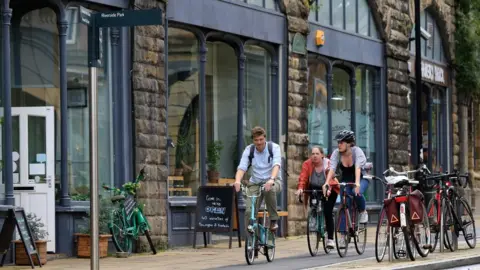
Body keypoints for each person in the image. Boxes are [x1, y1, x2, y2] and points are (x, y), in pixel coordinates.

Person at [234, 126, 282, 231]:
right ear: (253, 140)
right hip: (255, 182)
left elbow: (276, 165)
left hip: (273, 180)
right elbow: (242, 168)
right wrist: (237, 181)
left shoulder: (274, 148)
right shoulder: (249, 150)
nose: (259, 142)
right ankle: (251, 239)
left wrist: (272, 179)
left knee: (268, 189)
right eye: (256, 140)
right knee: (248, 211)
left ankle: (273, 220)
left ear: (265, 138)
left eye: (261, 139)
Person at [296, 146, 339, 248]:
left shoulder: (328, 163)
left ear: (322, 155)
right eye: (313, 154)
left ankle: (330, 239)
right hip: (315, 188)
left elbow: (331, 178)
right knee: (314, 205)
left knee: (328, 211)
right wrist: (301, 188)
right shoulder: (307, 164)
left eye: (317, 154)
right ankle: (314, 220)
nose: (314, 156)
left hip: (330, 188)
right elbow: (303, 178)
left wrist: (328, 188)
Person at [325, 130, 369, 224]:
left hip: (361, 177)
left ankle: (362, 211)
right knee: (345, 203)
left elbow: (358, 168)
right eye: (338, 142)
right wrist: (327, 183)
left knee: (356, 191)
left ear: (349, 143)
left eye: (341, 142)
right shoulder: (337, 153)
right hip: (346, 180)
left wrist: (357, 183)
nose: (339, 145)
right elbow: (332, 169)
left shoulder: (357, 151)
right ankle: (343, 235)